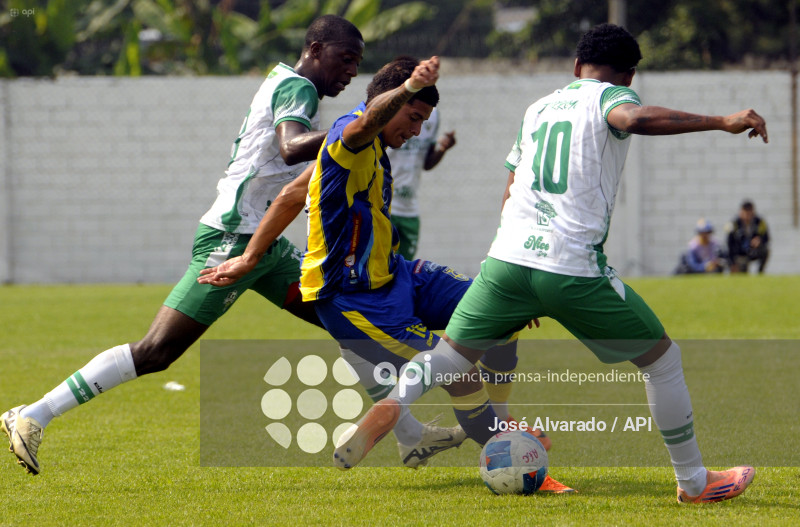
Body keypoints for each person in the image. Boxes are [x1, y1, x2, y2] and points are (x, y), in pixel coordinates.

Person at [338, 24, 767, 504]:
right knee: (663, 361)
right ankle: (693, 481)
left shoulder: (537, 108)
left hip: (506, 261)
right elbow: (632, 118)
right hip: (571, 266)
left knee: (450, 358)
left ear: (576, 66)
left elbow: (511, 187)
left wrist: (520, 275)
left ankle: (397, 404)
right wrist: (721, 120)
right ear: (626, 74)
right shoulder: (610, 97)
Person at [1, 15, 366, 476]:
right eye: (346, 58)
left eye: (358, 63)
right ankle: (33, 414)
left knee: (349, 319)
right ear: (315, 49)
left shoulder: (287, 83)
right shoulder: (299, 88)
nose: (352, 71)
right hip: (233, 240)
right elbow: (292, 148)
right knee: (156, 351)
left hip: (264, 243)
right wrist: (356, 131)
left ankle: (409, 434)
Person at [198, 56, 568, 490]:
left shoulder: (371, 149)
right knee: (461, 374)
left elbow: (289, 195)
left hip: (398, 276)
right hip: (352, 298)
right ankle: (515, 462)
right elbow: (361, 125)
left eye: (421, 122)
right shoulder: (349, 136)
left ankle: (484, 421)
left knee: (502, 312)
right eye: (412, 118)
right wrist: (409, 87)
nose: (414, 132)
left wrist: (250, 257)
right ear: (391, 103)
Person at [387, 98, 456, 260]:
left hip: (410, 210)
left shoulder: (432, 115)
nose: (417, 130)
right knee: (380, 269)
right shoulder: (392, 108)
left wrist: (443, 149)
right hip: (385, 206)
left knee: (404, 270)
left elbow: (427, 163)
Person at [727, 200, 769, 273]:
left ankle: (760, 272)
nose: (747, 216)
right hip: (740, 253)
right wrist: (732, 263)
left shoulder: (759, 222)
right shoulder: (734, 224)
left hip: (754, 250)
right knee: (743, 271)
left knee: (765, 250)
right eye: (745, 213)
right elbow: (730, 244)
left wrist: (759, 240)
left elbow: (767, 238)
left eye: (750, 213)